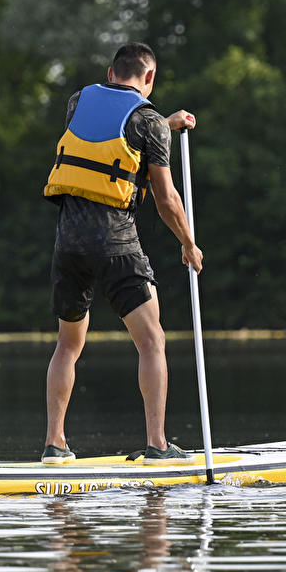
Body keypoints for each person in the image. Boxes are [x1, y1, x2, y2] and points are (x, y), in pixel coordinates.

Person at [41, 42, 202, 465]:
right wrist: (188, 243)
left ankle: (54, 445)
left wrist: (164, 126)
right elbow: (165, 197)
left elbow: (109, 137)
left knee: (67, 345)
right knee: (152, 341)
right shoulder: (149, 122)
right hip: (116, 243)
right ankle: (158, 445)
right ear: (149, 78)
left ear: (111, 72)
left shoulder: (78, 102)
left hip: (69, 243)